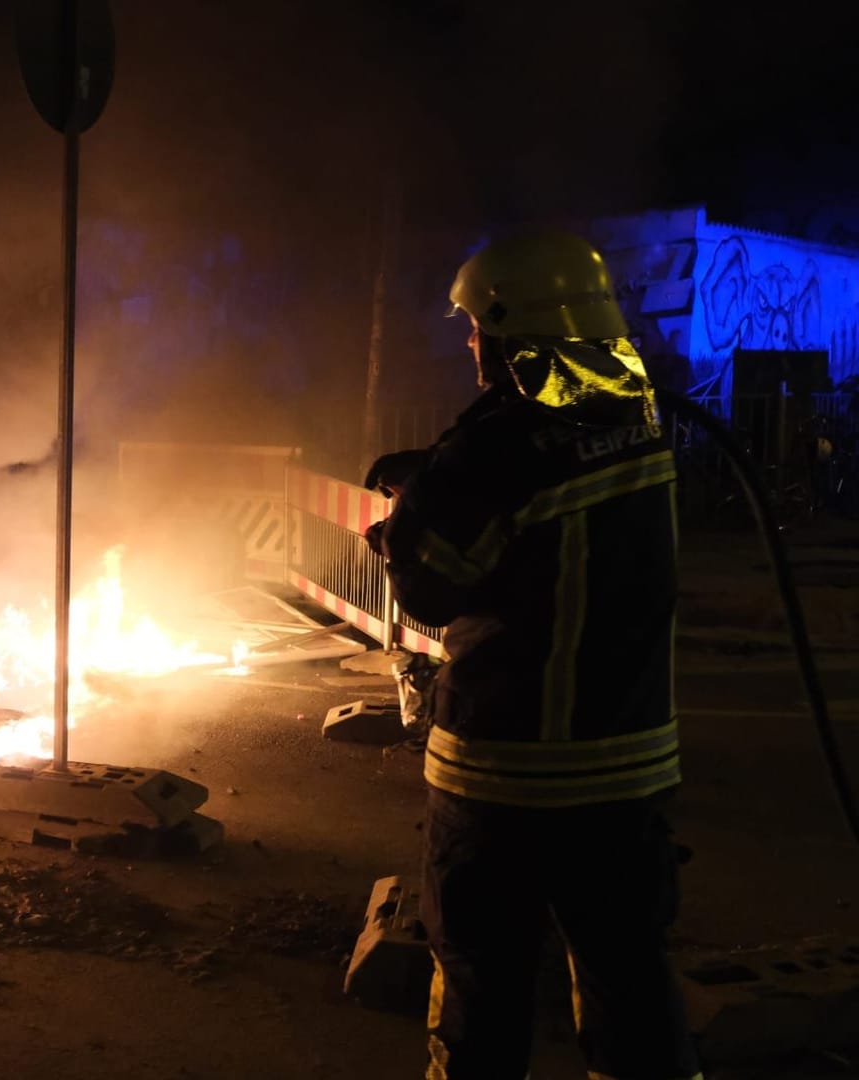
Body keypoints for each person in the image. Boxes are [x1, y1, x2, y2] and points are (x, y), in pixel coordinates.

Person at [363, 232, 701, 1080]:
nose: (473, 343)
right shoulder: (640, 411)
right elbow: (558, 532)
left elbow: (433, 586)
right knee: (629, 988)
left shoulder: (497, 446)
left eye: (480, 327)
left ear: (522, 332)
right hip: (627, 772)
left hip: (503, 777)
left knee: (481, 995)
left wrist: (413, 510)